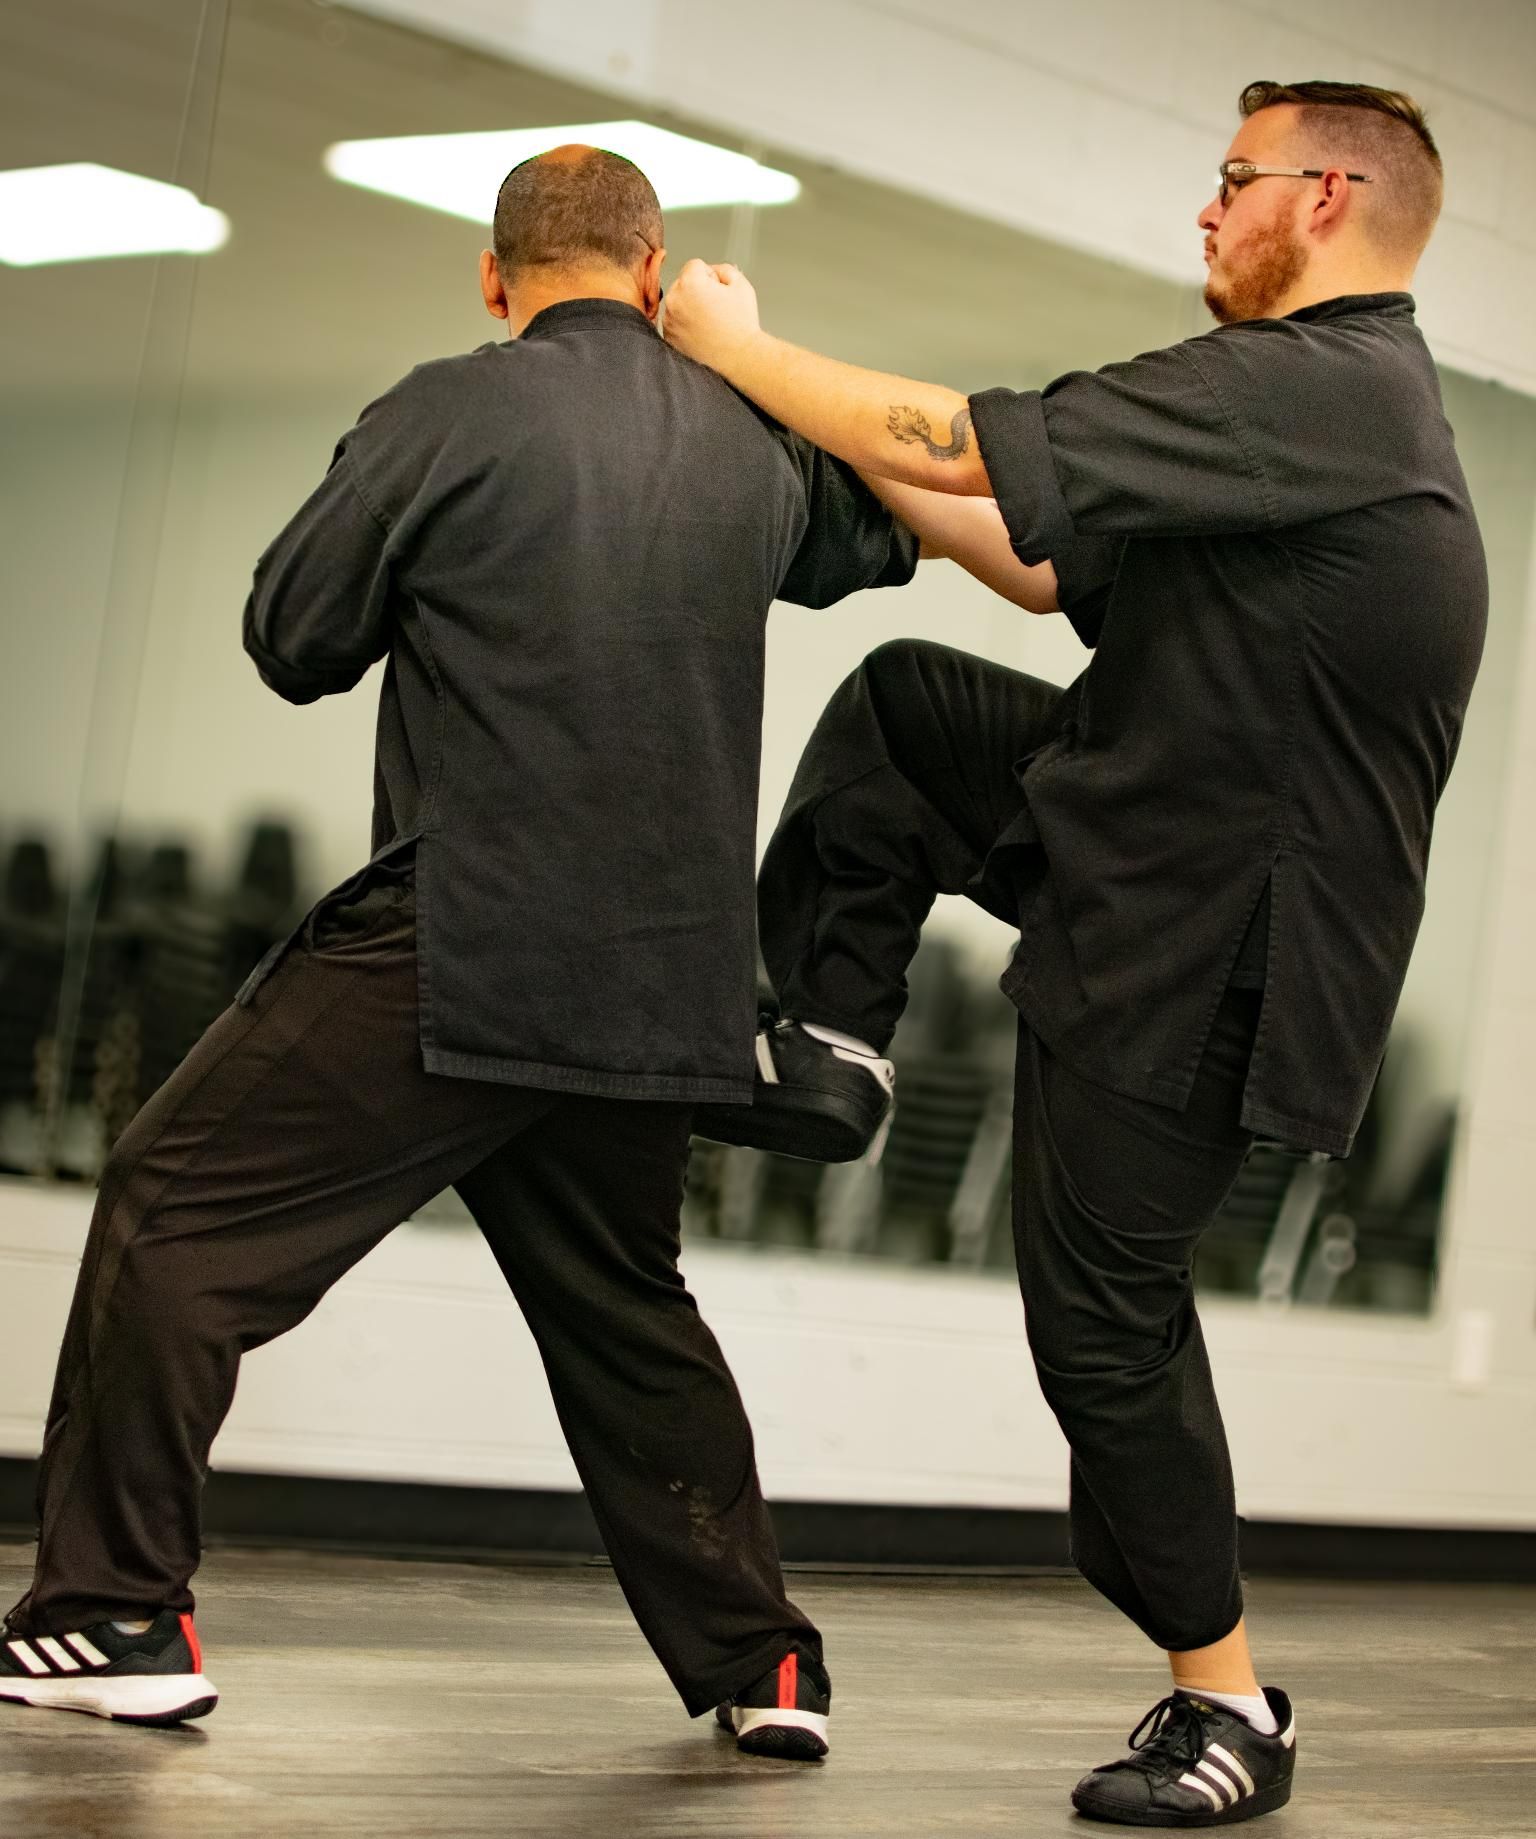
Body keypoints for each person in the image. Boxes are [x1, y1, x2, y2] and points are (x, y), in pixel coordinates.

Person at [0, 144, 1019, 1755]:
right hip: (670, 986)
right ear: (656, 266)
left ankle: (110, 1610)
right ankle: (762, 1667)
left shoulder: (447, 404)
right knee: (625, 1311)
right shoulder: (749, 438)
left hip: (467, 942)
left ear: (494, 278)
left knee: (168, 1219)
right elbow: (900, 522)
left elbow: (293, 643)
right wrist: (742, 371)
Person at [667, 79, 1487, 1825]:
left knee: (1102, 1336)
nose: (1209, 208)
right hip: (1130, 844)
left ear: (1328, 197)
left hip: (1219, 946)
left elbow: (973, 442)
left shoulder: (1329, 390)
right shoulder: (1287, 423)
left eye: (1234, 178)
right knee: (908, 714)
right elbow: (1032, 563)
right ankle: (832, 1044)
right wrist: (843, 476)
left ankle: (1232, 1704)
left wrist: (739, 343)